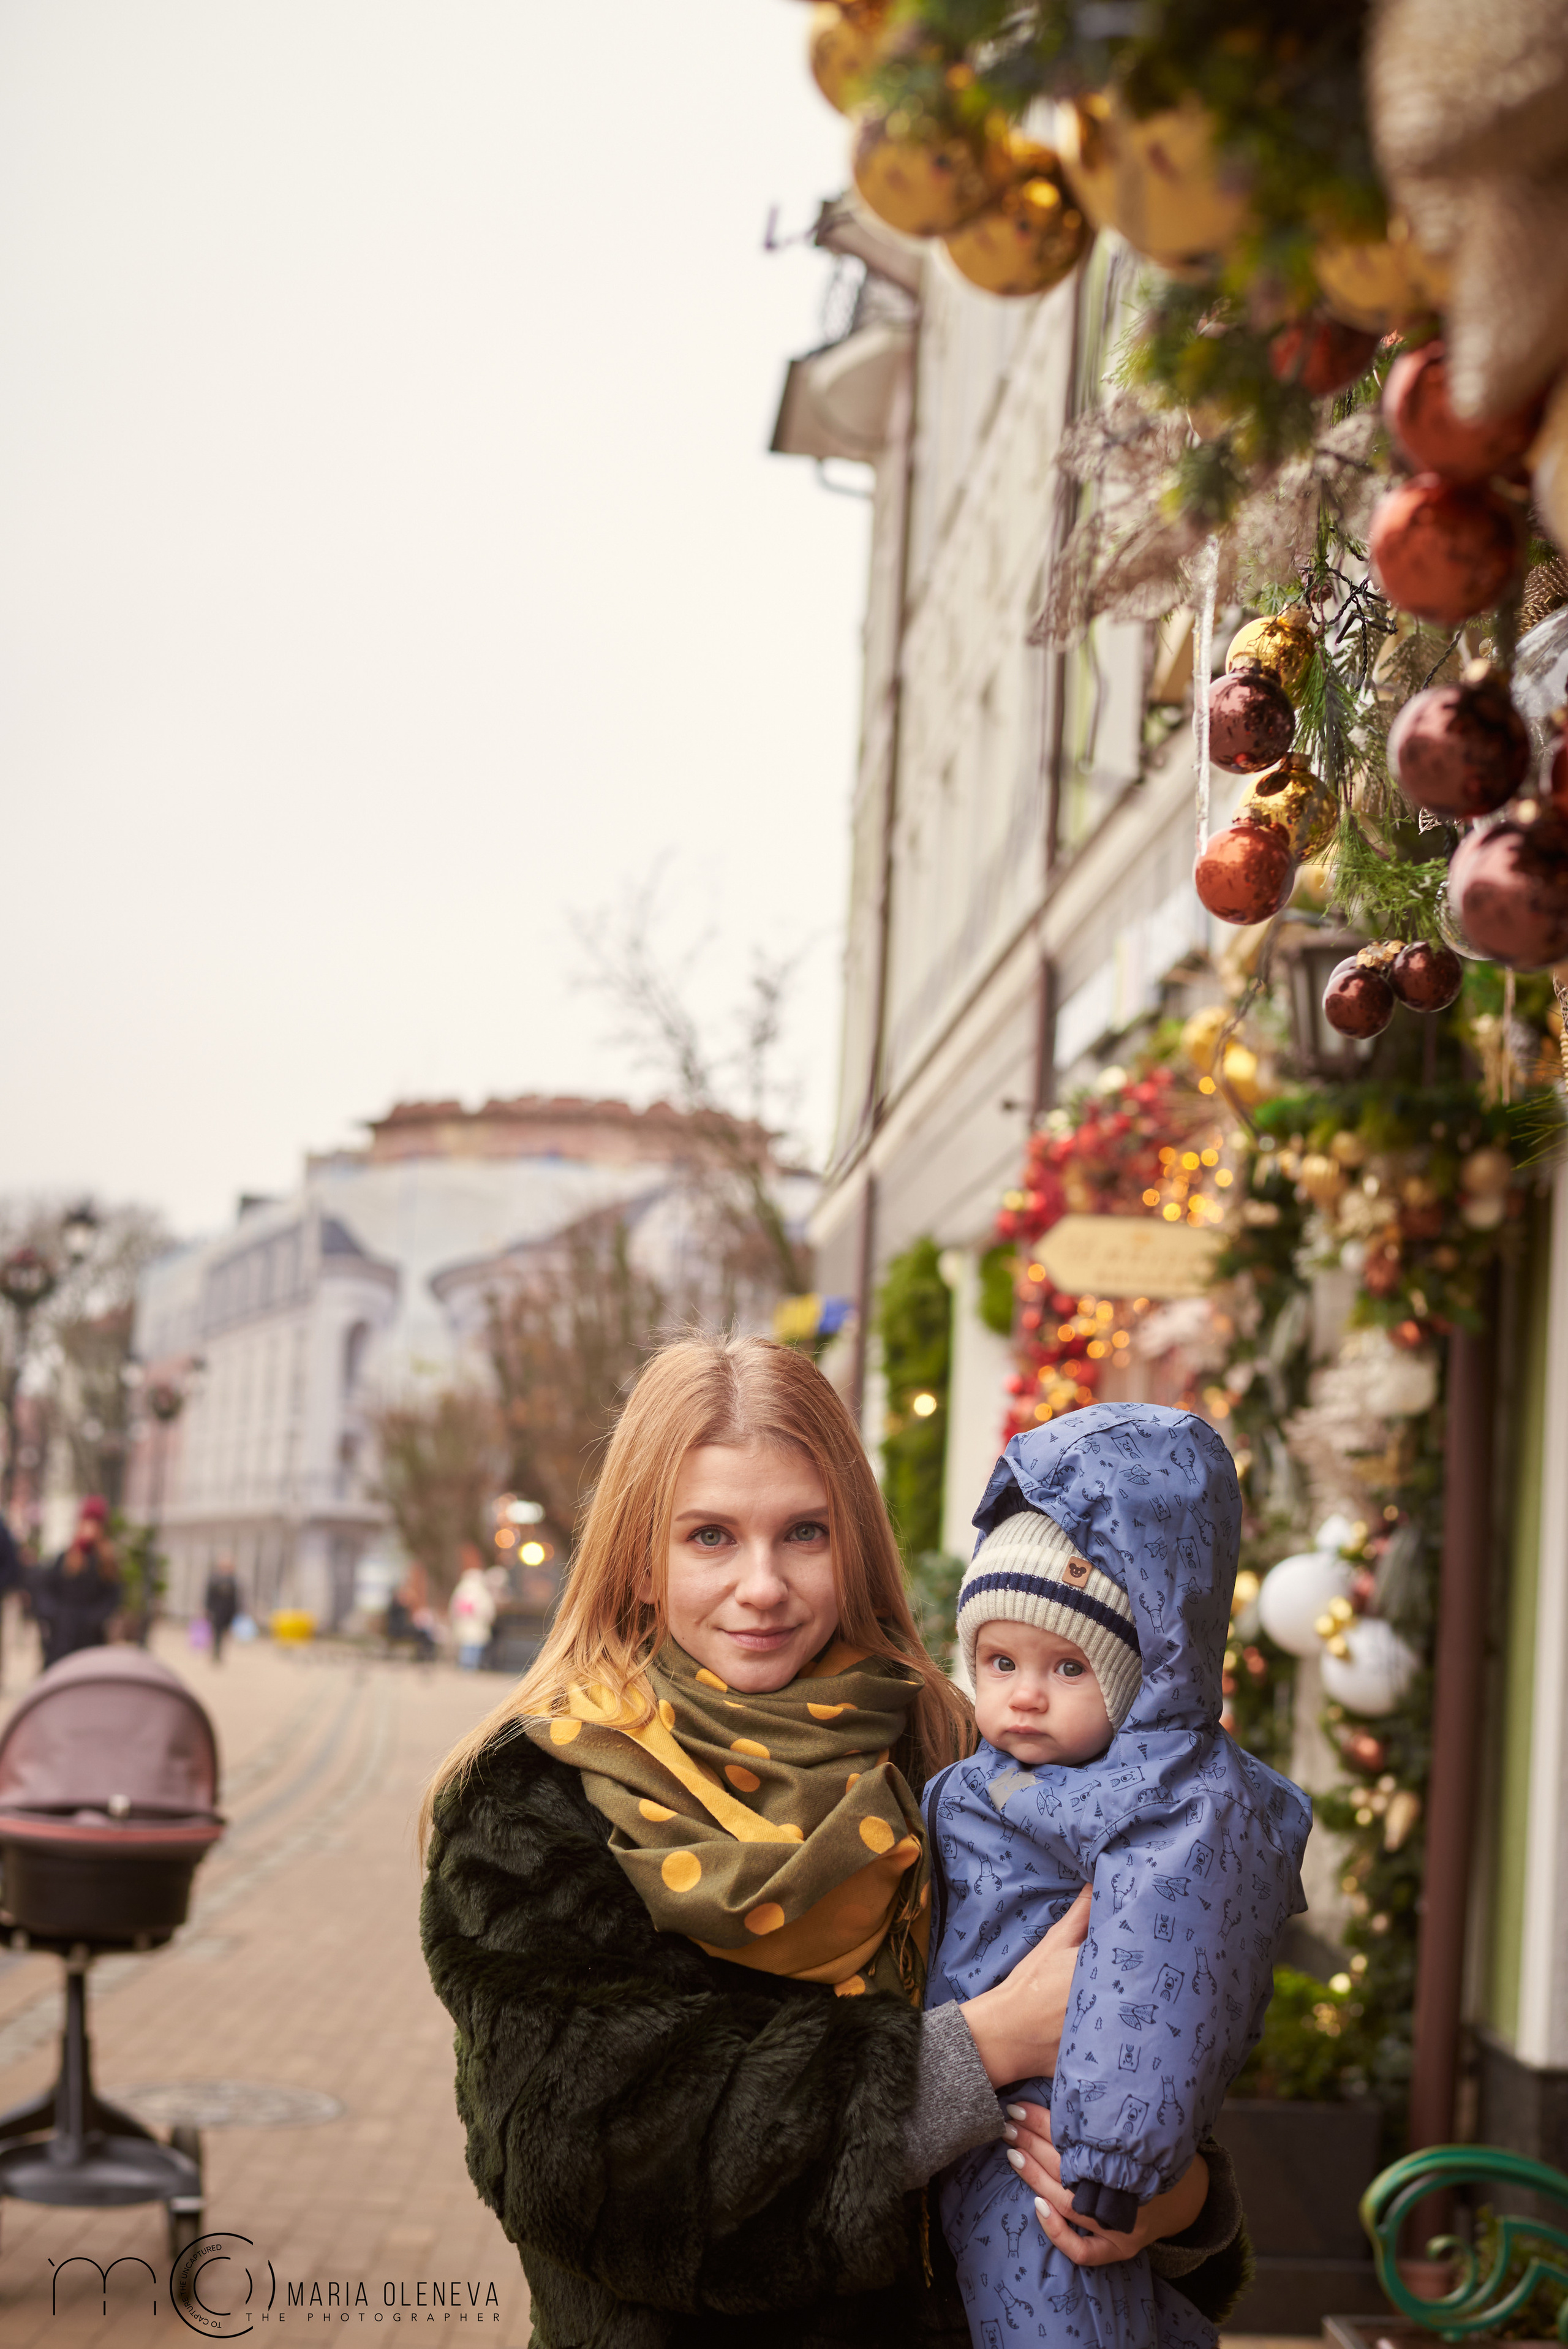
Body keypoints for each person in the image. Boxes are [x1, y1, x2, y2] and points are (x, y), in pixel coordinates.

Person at [420, 1338, 1248, 2349]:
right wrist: (976, 2049)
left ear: (851, 1542)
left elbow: (1147, 2048)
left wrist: (1180, 2206)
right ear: (641, 1560)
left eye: (803, 1530)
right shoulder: (533, 1795)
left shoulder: (961, 1747)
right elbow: (589, 2162)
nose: (762, 1583)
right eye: (712, 1536)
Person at [928, 1404, 1311, 2349]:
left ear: (1139, 1677)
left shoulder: (1174, 1801)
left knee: (1056, 2299)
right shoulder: (965, 1777)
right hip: (970, 2125)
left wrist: (1118, 2153)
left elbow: (1164, 1958)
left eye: (1067, 1667)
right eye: (999, 1661)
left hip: (1067, 2135)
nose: (1021, 1693)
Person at [31, 1497, 121, 1672]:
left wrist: (93, 1620)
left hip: (90, 1640)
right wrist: (54, 1616)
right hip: (62, 1637)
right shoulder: (66, 1558)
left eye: (95, 1523)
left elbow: (112, 1597)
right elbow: (45, 1590)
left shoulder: (106, 1562)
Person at [447, 1544, 497, 1670]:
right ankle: (470, 1666)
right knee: (474, 1645)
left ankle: (465, 1665)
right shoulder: (482, 1591)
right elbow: (487, 1609)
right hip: (477, 1624)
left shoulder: (461, 1590)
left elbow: (454, 1607)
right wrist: (489, 1618)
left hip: (464, 1623)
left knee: (466, 1644)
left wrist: (454, 1618)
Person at [203, 1556, 241, 1663]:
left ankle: (220, 1652)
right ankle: (216, 1652)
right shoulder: (214, 1579)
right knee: (216, 1632)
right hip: (216, 1610)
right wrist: (207, 1608)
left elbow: (237, 1598)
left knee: (225, 1633)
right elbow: (209, 1595)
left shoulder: (234, 1580)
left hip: (229, 1611)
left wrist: (237, 1611)